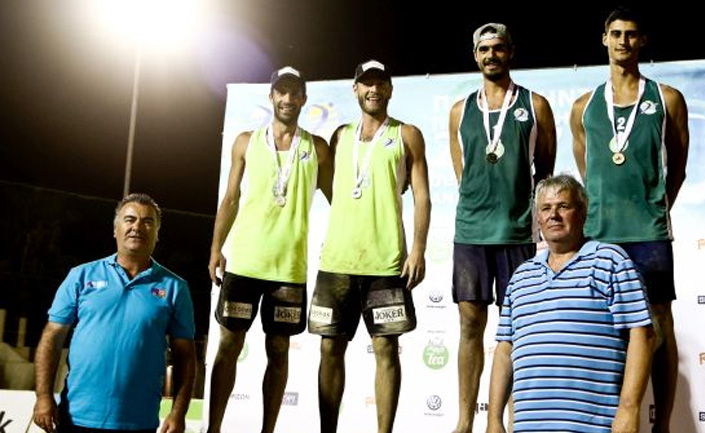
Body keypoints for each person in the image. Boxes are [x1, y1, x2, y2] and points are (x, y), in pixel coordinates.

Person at [569, 7, 689, 433]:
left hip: (648, 233)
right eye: (615, 34)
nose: (623, 41)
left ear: (643, 42)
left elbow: (678, 168)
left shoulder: (667, 98)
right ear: (604, 39)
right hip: (599, 234)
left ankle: (663, 425)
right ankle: (611, 419)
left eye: (631, 34)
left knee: (659, 325)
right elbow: (588, 171)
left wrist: (655, 209)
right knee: (604, 329)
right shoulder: (583, 107)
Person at [206, 66, 332, 433]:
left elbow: (340, 201)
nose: (288, 99)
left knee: (278, 352)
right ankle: (212, 428)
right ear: (272, 95)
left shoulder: (317, 148)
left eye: (295, 93)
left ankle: (268, 430)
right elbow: (230, 198)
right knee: (228, 346)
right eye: (282, 91)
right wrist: (216, 249)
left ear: (304, 99)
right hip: (243, 264)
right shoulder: (246, 141)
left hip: (288, 269)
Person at [308, 59, 431, 433]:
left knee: (386, 351)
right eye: (366, 83)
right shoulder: (340, 136)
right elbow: (333, 190)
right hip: (338, 261)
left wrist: (418, 250)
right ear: (355, 89)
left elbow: (422, 198)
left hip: (386, 262)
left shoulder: (407, 134)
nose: (373, 90)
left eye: (380, 83)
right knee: (330, 349)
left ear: (390, 89)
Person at [448, 22, 556, 433]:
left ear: (510, 52)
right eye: (483, 50)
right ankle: (464, 420)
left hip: (516, 233)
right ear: (475, 56)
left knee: (517, 327)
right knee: (469, 326)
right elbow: (465, 174)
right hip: (471, 233)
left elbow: (544, 172)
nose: (490, 55)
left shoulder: (536, 105)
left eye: (498, 48)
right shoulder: (459, 110)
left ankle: (510, 417)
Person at [486, 174, 655, 433]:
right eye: (546, 208)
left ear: (583, 212)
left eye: (563, 206)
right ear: (538, 218)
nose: (554, 215)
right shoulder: (521, 276)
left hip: (597, 427)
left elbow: (642, 334)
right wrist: (493, 420)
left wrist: (629, 409)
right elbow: (505, 350)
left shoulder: (610, 261)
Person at [33, 193, 196, 433]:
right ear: (115, 229)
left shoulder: (175, 287)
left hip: (138, 422)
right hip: (76, 417)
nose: (137, 227)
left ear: (157, 233)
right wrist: (44, 396)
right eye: (129, 219)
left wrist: (178, 413)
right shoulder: (81, 276)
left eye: (147, 221)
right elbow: (52, 338)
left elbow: (186, 357)